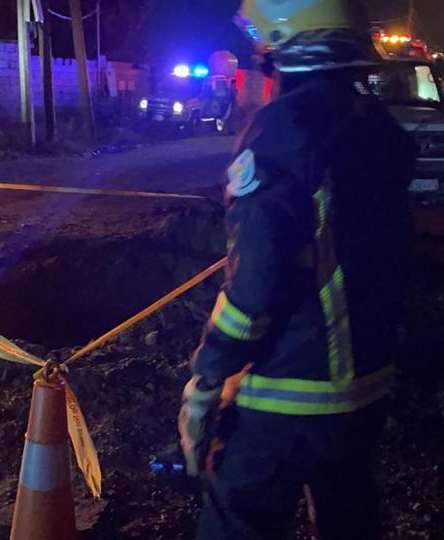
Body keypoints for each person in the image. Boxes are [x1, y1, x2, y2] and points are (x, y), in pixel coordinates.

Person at [177, 1, 417, 538]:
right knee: (349, 517)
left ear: (283, 48)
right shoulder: (379, 130)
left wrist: (207, 378)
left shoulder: (281, 132)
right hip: (367, 387)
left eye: (263, 46)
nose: (259, 56)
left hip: (287, 393)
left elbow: (255, 286)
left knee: (238, 520)